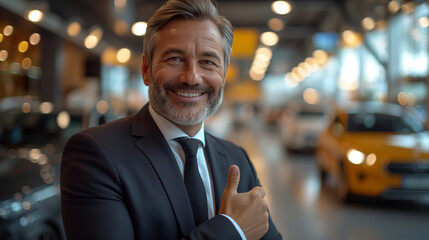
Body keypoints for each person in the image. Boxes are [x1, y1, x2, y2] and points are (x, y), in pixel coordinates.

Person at [60, 0, 283, 239]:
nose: (192, 77)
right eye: (175, 58)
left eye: (208, 62)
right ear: (147, 69)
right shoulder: (96, 155)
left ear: (224, 74)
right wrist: (232, 230)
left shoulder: (236, 159)